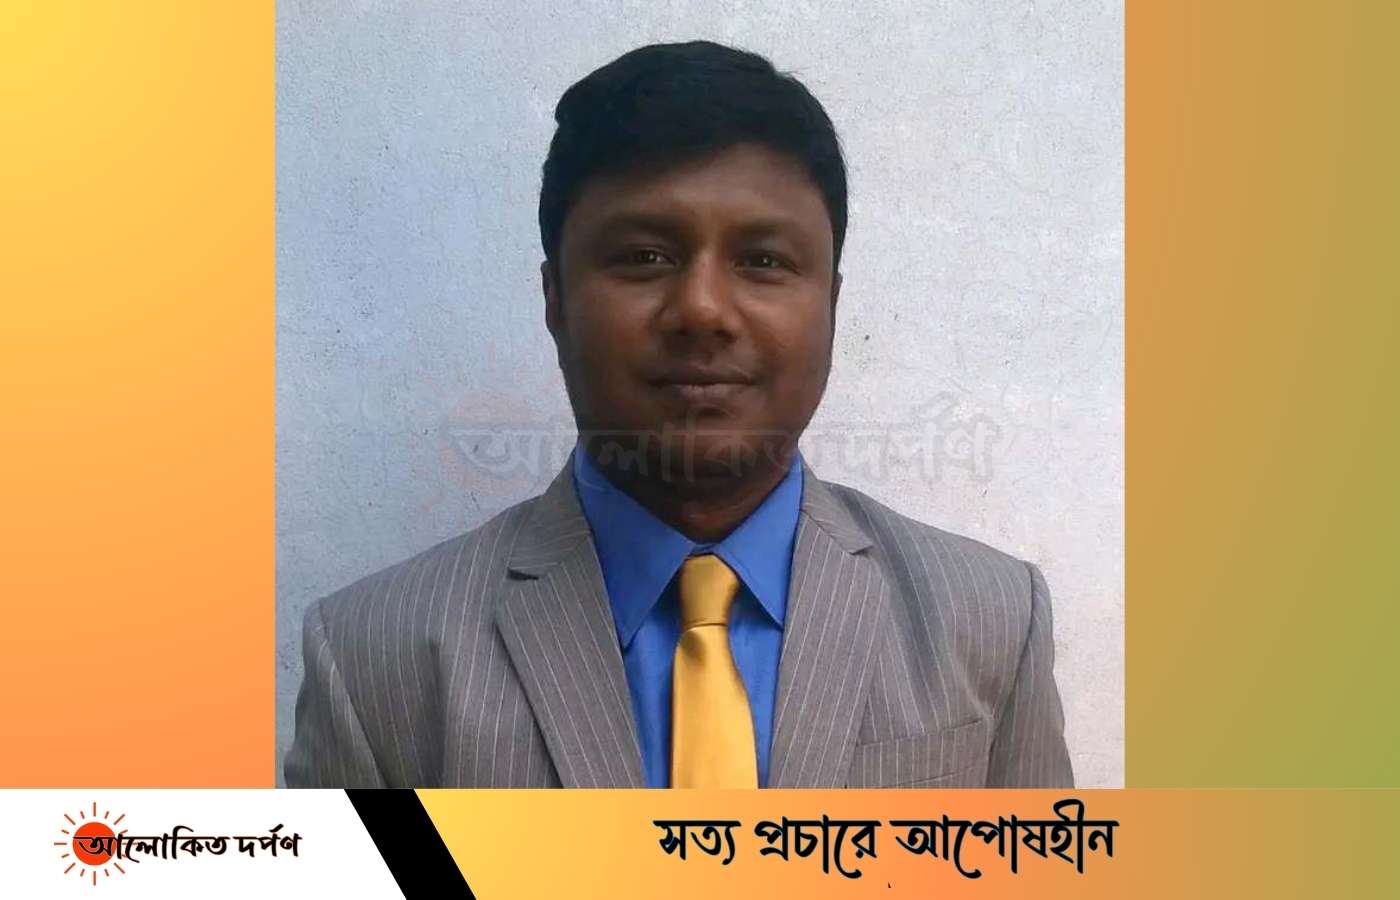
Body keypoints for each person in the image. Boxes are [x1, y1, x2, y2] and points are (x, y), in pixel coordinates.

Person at [284, 40, 1073, 789]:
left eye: (763, 260)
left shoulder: (989, 620)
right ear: (556, 298)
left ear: (831, 304)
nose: (702, 310)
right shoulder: (373, 658)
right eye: (645, 257)